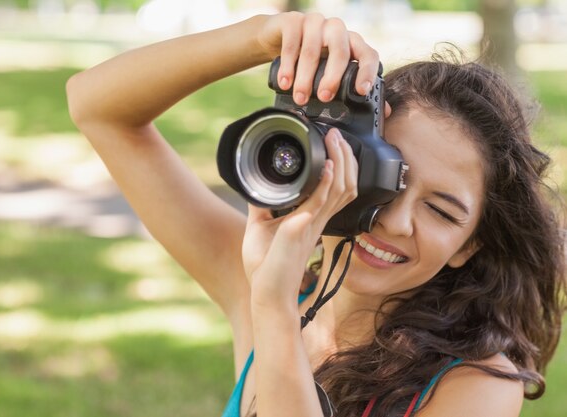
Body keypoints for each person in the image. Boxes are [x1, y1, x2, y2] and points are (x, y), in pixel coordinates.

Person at [66, 12, 565, 417]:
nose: (396, 221)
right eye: (387, 178)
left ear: (469, 246)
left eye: (440, 211)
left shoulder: (477, 386)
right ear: (331, 159)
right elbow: (96, 107)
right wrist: (262, 36)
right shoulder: (259, 284)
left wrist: (275, 309)